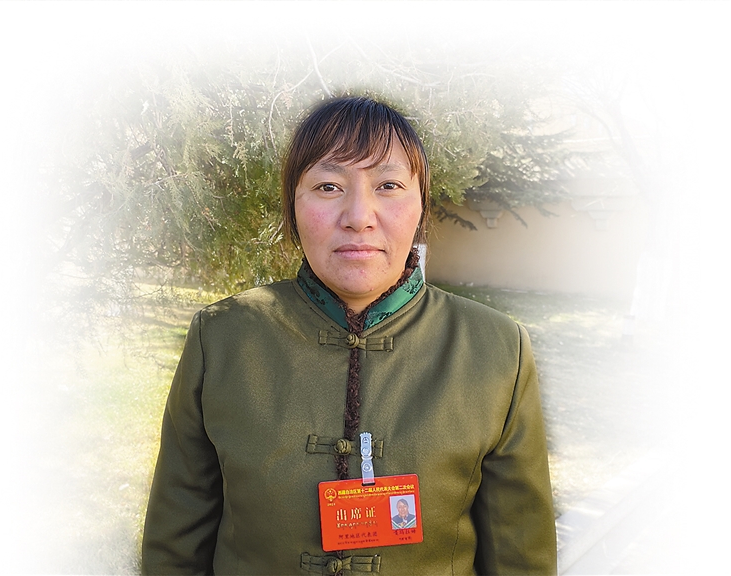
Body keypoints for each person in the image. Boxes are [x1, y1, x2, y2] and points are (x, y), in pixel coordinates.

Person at [141, 96, 557, 575]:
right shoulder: (222, 338)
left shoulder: (497, 349)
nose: (359, 216)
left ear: (421, 205)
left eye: (388, 185)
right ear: (292, 207)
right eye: (328, 186)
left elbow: (520, 558)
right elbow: (175, 547)